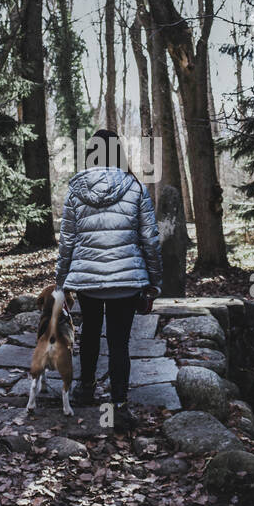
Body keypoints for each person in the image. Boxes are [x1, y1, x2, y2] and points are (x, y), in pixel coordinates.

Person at [55, 129, 162, 432]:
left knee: (89, 334)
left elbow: (67, 242)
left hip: (88, 280)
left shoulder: (77, 189)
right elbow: (150, 240)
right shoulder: (135, 188)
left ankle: (86, 389)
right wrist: (153, 283)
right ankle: (120, 407)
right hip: (127, 282)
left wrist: (62, 283)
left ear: (91, 154)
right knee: (119, 342)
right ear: (119, 153)